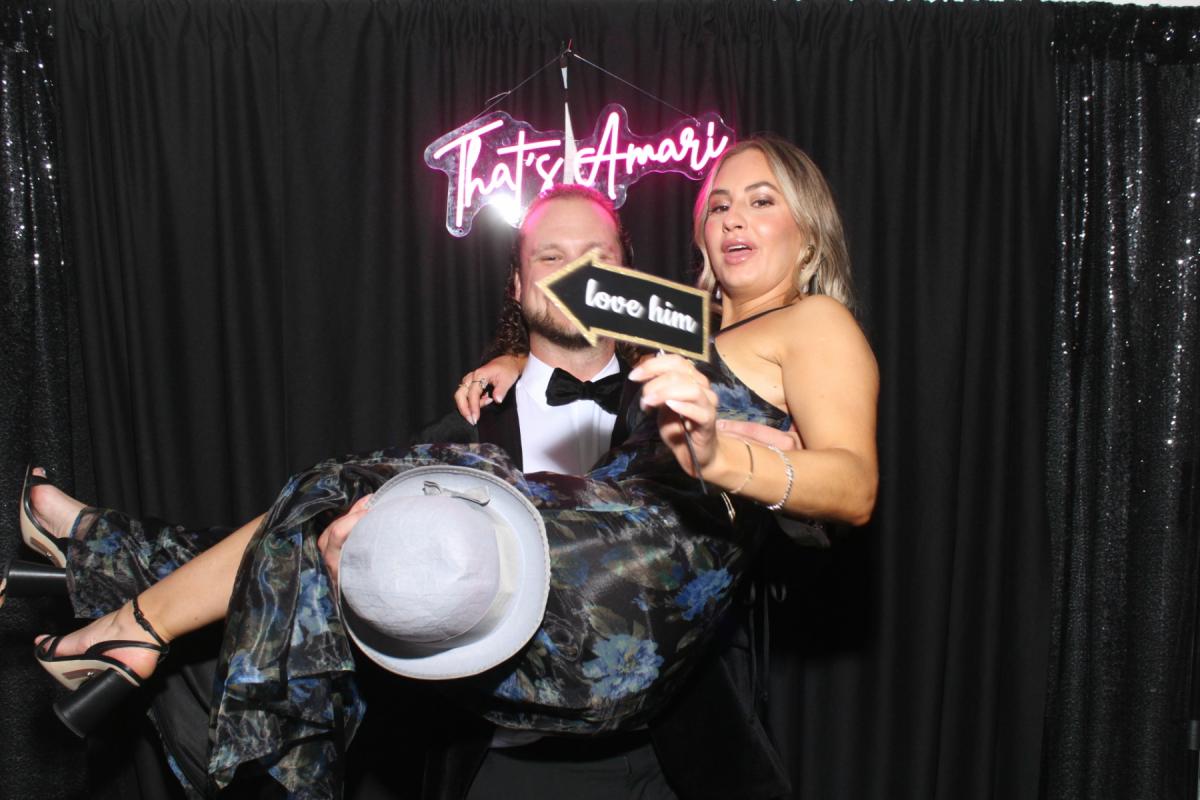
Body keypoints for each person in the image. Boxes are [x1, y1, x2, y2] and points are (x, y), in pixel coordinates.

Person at [21, 136, 878, 797]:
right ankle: (122, 596)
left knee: (346, 484)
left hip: (638, 618)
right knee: (322, 519)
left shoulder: (815, 323)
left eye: (760, 200)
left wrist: (726, 457)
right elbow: (594, 339)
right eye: (718, 203)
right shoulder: (688, 334)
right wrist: (516, 357)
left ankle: (125, 602)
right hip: (555, 648)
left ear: (808, 229)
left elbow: (854, 487)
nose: (732, 218)